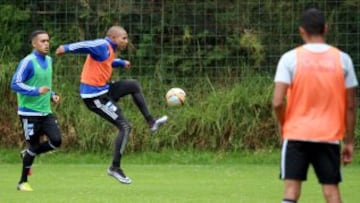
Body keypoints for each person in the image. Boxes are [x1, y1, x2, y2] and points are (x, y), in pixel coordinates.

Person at [55, 25, 168, 184]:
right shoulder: (102, 45)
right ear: (114, 37)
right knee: (125, 126)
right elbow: (87, 45)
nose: (126, 41)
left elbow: (106, 61)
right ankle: (115, 168)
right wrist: (65, 48)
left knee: (133, 85)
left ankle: (151, 122)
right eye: (124, 38)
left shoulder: (110, 50)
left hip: (104, 90)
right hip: (95, 97)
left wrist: (120, 62)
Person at [272, 8, 358, 203]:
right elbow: (351, 106)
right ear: (326, 28)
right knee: (331, 192)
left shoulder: (289, 59)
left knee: (291, 192)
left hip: (296, 134)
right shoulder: (343, 60)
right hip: (329, 136)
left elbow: (277, 101)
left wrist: (282, 125)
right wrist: (350, 141)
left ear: (301, 31)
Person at [11, 30, 62, 192]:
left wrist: (52, 94)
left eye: (47, 40)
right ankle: (22, 182)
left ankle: (27, 153)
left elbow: (45, 83)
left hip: (46, 112)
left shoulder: (49, 60)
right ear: (34, 43)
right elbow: (15, 83)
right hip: (29, 113)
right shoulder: (28, 61)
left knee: (56, 141)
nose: (46, 44)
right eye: (42, 41)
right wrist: (36, 90)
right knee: (34, 145)